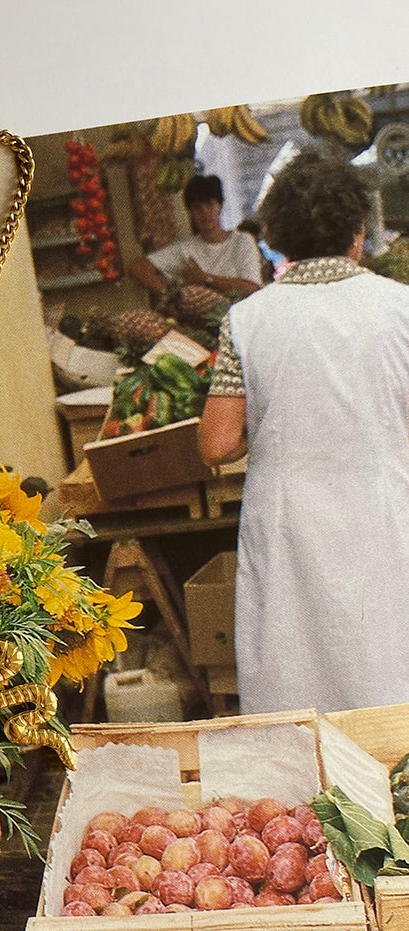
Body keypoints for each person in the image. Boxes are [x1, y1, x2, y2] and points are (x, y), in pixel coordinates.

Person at [198, 147, 409, 714]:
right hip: (389, 514)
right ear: (358, 233)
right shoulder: (402, 307)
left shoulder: (246, 320)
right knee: (392, 667)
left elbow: (216, 444)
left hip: (290, 525)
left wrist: (272, 423)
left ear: (278, 238)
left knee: (298, 678)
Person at [128, 174, 264, 302]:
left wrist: (205, 279)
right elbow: (137, 268)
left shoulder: (241, 241)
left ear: (220, 206)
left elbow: (251, 288)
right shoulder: (185, 249)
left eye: (210, 205)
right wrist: (172, 296)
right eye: (197, 208)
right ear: (190, 213)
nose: (204, 213)